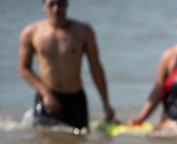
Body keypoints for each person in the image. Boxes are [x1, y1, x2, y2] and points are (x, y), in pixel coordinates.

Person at [18, 0, 116, 132]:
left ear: (67, 5)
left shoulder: (83, 31)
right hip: (47, 98)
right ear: (44, 6)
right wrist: (45, 93)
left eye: (60, 4)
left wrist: (106, 104)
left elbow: (96, 68)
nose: (56, 9)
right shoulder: (31, 32)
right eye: (51, 4)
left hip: (75, 99)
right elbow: (24, 68)